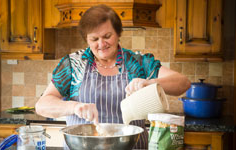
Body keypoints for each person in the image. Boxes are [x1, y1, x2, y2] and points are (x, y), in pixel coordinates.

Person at [35, 4, 191, 149]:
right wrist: (74, 107)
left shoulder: (137, 62)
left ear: (118, 33)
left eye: (107, 36)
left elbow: (183, 83)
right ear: (87, 40)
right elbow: (42, 105)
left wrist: (150, 82)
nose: (101, 44)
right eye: (94, 39)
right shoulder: (73, 65)